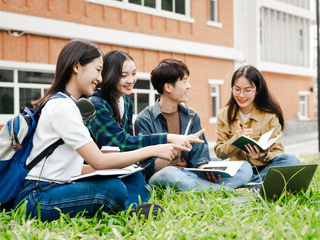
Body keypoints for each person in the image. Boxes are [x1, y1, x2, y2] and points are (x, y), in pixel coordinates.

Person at [12, 39, 191, 222]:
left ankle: (135, 209)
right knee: (112, 189)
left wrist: (120, 168)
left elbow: (72, 167)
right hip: (37, 197)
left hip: (56, 186)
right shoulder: (63, 107)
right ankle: (129, 209)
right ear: (77, 67)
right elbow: (99, 161)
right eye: (98, 70)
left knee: (129, 175)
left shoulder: (71, 104)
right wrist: (155, 149)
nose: (100, 78)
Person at [135, 58, 253, 191]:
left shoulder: (191, 115)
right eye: (184, 81)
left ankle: (204, 188)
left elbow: (200, 158)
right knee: (168, 175)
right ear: (168, 87)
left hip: (190, 173)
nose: (189, 86)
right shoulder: (145, 120)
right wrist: (176, 146)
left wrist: (206, 170)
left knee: (244, 167)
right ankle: (224, 190)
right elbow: (150, 169)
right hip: (166, 175)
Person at [85, 50, 203, 152]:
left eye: (134, 74)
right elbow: (121, 143)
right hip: (98, 170)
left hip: (122, 166)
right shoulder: (96, 104)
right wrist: (168, 138)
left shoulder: (125, 100)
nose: (131, 80)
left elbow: (129, 140)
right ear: (109, 75)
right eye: (124, 75)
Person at [214, 65, 301, 183]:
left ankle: (251, 184)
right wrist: (236, 139)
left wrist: (263, 156)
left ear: (257, 90)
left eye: (248, 90)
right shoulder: (223, 114)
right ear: (232, 89)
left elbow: (279, 152)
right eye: (237, 89)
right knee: (218, 164)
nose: (241, 95)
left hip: (264, 167)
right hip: (240, 169)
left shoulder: (269, 115)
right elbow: (220, 153)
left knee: (292, 161)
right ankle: (260, 183)